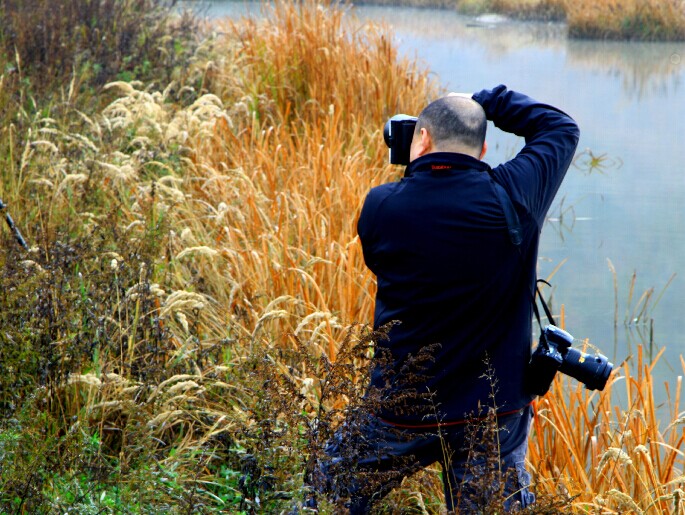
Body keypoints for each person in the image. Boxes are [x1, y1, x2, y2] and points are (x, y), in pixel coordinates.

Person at [316, 85, 579, 513]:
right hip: (491, 416)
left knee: (324, 499)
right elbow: (560, 128)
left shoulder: (382, 207)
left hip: (399, 408)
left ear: (421, 139)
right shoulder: (514, 196)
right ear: (483, 149)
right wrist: (486, 100)